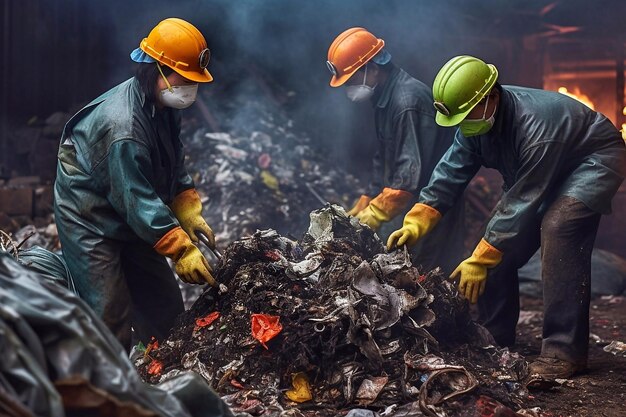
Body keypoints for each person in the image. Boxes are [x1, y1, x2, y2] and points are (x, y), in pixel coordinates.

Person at [387, 55, 626, 379]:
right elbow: (450, 172)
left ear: (491, 97)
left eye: (464, 115)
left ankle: (562, 353)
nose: (461, 124)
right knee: (496, 248)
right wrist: (418, 218)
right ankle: (494, 338)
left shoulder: (536, 127)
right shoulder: (475, 121)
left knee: (558, 228)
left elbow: (521, 200)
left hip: (591, 161)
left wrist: (481, 257)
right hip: (540, 173)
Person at [54, 18, 219, 350]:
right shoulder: (123, 128)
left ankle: (159, 373)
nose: (189, 86)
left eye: (193, 79)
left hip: (132, 205)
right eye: (184, 77)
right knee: (109, 314)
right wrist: (181, 249)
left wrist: (187, 209)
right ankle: (109, 388)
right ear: (157, 70)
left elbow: (173, 160)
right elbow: (136, 198)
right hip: (90, 215)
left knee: (166, 310)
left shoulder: (164, 105)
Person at [326, 27, 465, 275]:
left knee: (425, 278)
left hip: (432, 206)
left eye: (352, 79)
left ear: (373, 68)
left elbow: (407, 177)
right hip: (410, 202)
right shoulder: (384, 98)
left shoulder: (407, 102)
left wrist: (375, 213)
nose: (349, 87)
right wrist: (367, 199)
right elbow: (385, 155)